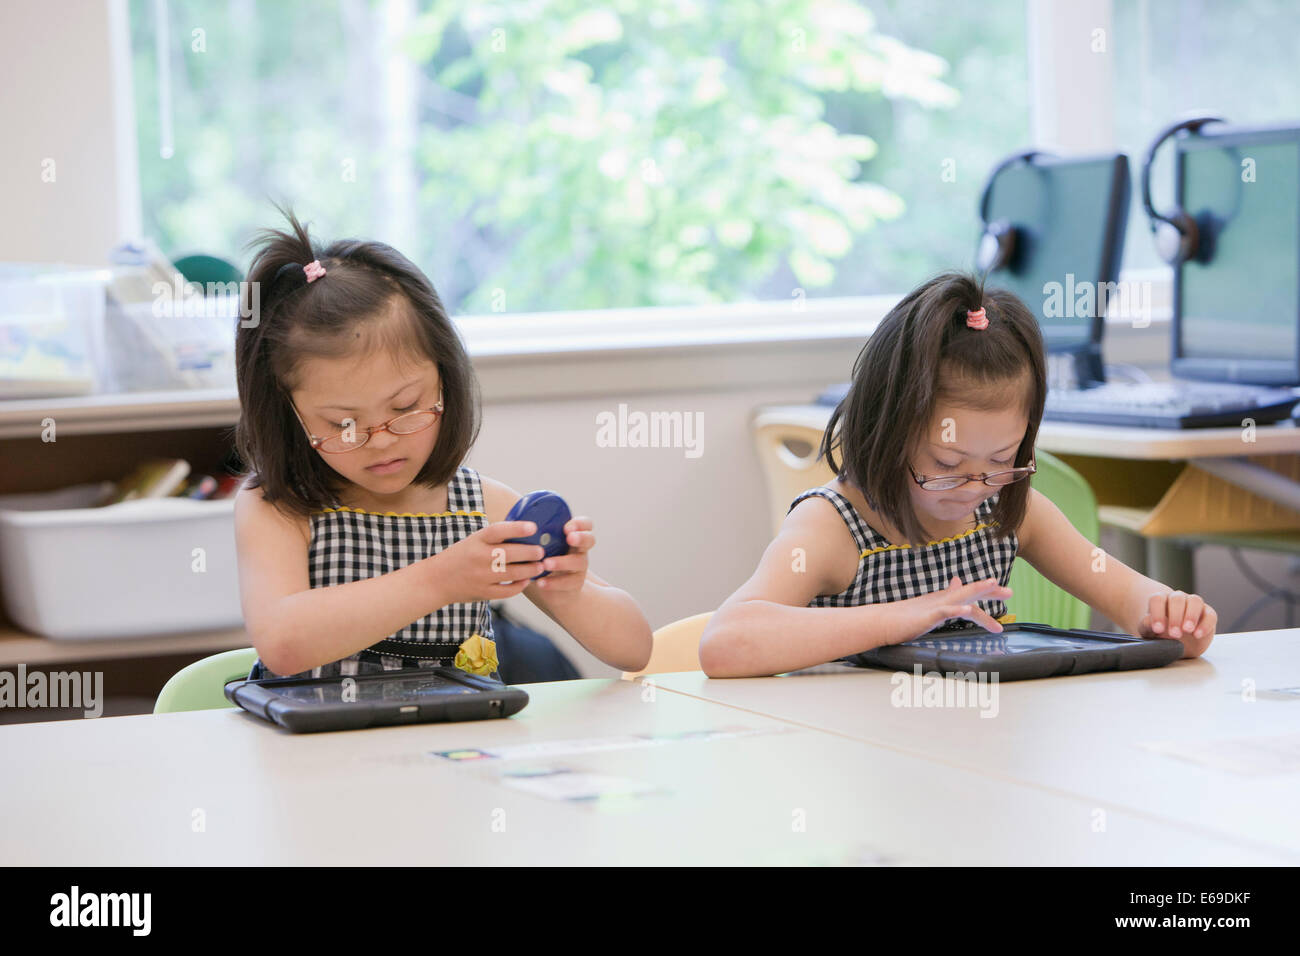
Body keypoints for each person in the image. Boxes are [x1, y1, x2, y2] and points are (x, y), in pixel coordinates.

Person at [700, 271, 1218, 677]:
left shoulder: (1010, 511)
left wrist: (1172, 618)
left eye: (1000, 462)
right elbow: (725, 643)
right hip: (861, 767)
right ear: (886, 430)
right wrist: (898, 618)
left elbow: (1129, 599)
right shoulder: (832, 528)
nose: (975, 488)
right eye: (947, 465)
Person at [232, 207, 652, 680]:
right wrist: (440, 579)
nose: (381, 440)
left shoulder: (482, 506)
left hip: (460, 750)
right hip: (320, 749)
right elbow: (284, 645)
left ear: (444, 383)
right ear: (286, 415)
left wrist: (572, 594)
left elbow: (634, 650)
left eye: (406, 406)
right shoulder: (279, 509)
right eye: (343, 423)